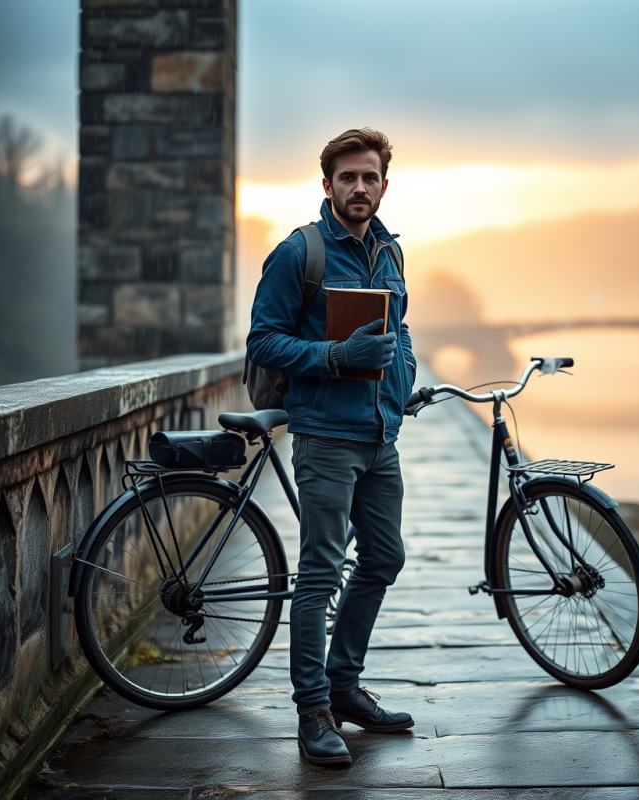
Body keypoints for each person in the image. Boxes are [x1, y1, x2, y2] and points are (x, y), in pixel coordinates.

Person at [247, 128, 417, 767]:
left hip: (379, 437)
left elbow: (400, 331)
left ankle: (344, 687)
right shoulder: (301, 254)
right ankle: (313, 709)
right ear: (327, 185)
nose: (359, 187)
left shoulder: (391, 253)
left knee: (383, 558)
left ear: (383, 184)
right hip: (323, 436)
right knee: (320, 571)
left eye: (370, 177)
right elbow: (263, 341)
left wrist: (402, 375)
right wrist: (335, 355)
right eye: (347, 177)